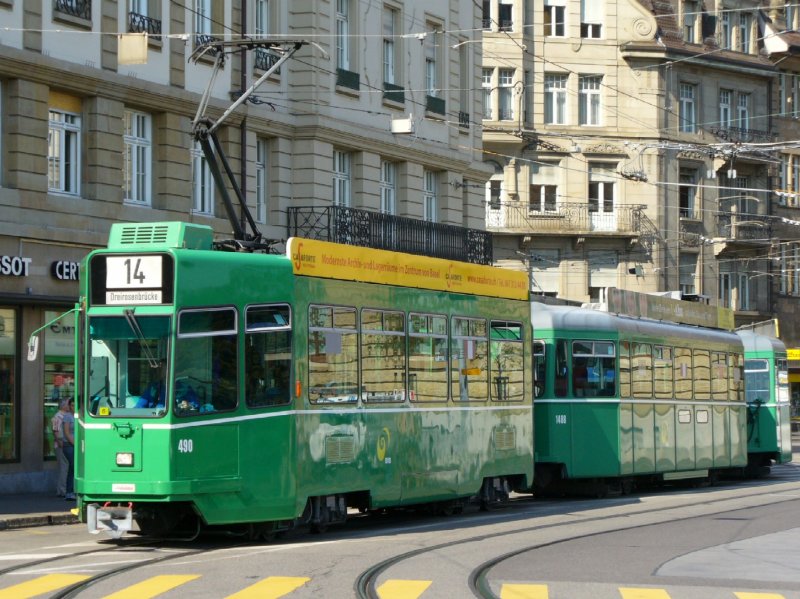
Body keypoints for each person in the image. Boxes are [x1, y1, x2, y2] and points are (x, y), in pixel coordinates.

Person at [51, 397, 70, 497]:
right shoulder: (57, 417)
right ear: (63, 406)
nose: (70, 406)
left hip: (64, 444)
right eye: (68, 404)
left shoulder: (66, 416)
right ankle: (62, 490)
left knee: (65, 468)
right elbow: (55, 431)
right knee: (64, 468)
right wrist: (60, 442)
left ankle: (63, 489)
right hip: (61, 444)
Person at [61, 398, 76, 501]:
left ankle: (71, 491)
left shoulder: (81, 416)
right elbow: (67, 433)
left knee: (73, 468)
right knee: (73, 466)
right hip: (69, 445)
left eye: (75, 405)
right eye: (72, 405)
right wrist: (75, 444)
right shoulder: (67, 417)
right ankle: (69, 492)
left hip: (78, 445)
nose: (73, 407)